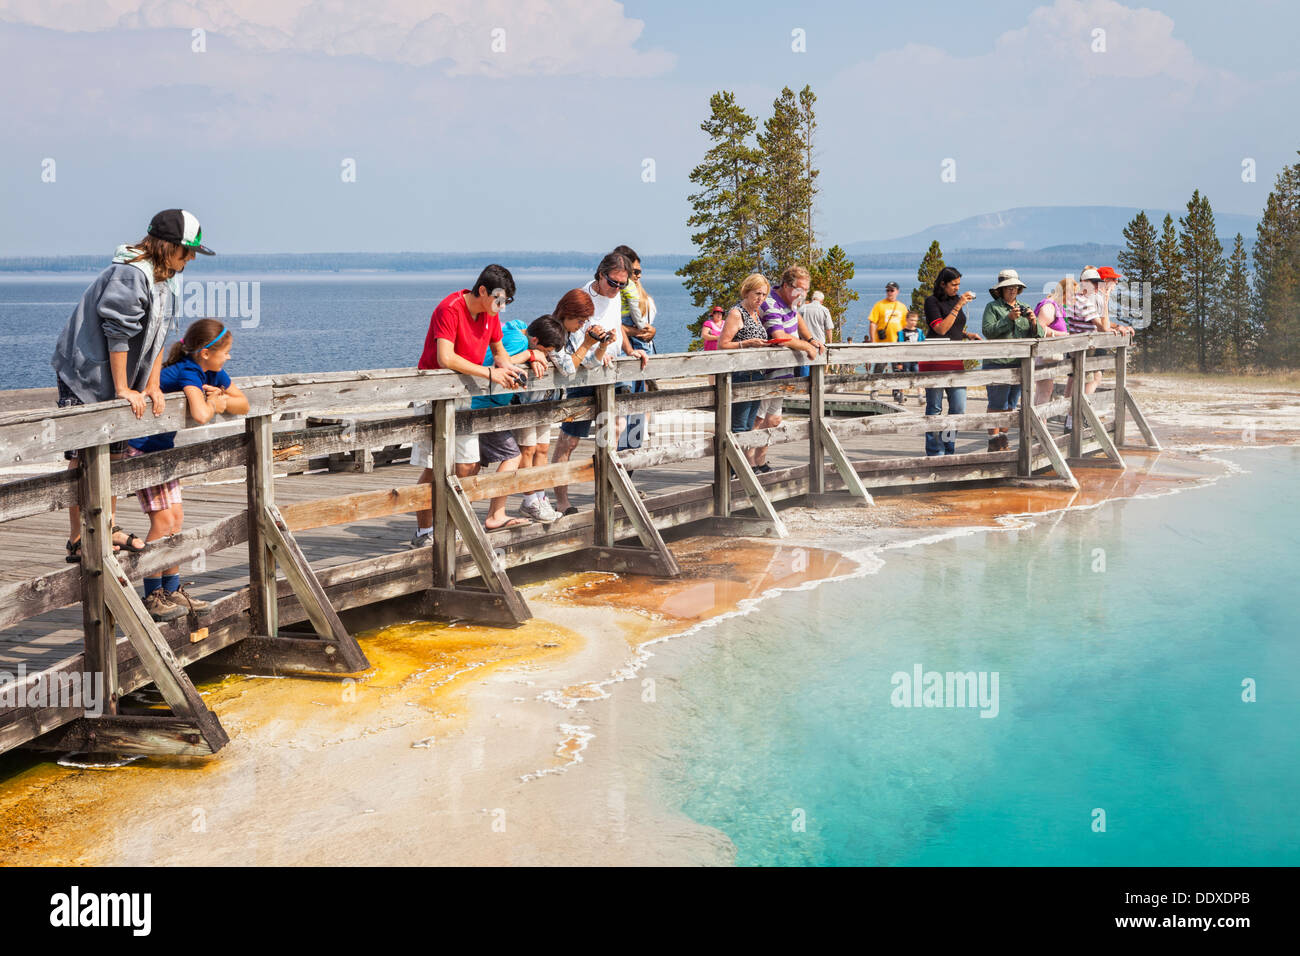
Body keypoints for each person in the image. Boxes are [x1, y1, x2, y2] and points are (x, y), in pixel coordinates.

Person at [51, 208, 213, 564]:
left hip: (116, 377)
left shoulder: (166, 278)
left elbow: (159, 335)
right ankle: (80, 537)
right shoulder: (130, 274)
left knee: (113, 453)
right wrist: (124, 389)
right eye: (188, 251)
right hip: (85, 374)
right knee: (85, 455)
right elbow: (118, 333)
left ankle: (105, 527)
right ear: (169, 246)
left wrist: (153, 385)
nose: (190, 259)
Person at [125, 319, 249, 621]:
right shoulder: (189, 371)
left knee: (176, 520)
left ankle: (172, 589)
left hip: (162, 451)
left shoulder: (209, 369)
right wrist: (217, 403)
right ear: (205, 352)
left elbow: (244, 403)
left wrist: (220, 399)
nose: (229, 357)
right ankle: (153, 595)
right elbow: (201, 414)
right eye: (226, 352)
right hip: (143, 451)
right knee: (164, 521)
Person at [410, 264, 528, 546]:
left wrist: (512, 368)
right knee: (433, 466)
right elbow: (445, 358)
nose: (501, 307)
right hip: (433, 394)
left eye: (506, 303)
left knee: (467, 465)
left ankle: (449, 524)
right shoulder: (449, 308)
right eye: (499, 300)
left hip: (464, 395)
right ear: (483, 291)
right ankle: (424, 533)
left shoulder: (491, 314)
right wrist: (489, 373)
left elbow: (499, 352)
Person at [550, 254, 650, 516]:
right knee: (569, 441)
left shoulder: (616, 295)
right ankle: (562, 500)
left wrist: (629, 350)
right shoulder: (582, 298)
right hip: (583, 378)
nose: (616, 288)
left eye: (622, 284)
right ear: (600, 274)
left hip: (612, 374)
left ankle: (606, 492)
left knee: (614, 431)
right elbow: (573, 337)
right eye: (612, 282)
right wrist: (598, 350)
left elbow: (617, 326)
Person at [471, 314, 569, 524]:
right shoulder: (519, 340)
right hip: (485, 405)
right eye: (545, 351)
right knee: (512, 455)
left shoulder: (519, 331)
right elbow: (500, 365)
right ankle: (494, 515)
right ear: (535, 341)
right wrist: (529, 354)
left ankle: (465, 516)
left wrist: (533, 353)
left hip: (486, 403)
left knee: (472, 464)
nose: (545, 356)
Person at [754, 266, 823, 473]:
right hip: (766, 372)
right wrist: (807, 347)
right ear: (786, 285)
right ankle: (747, 464)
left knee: (773, 419)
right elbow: (778, 335)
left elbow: (797, 318)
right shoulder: (771, 303)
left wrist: (811, 338)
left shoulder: (790, 302)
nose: (802, 294)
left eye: (806, 290)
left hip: (783, 372)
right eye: (799, 289)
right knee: (757, 418)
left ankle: (760, 460)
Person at [980, 270, 1046, 451]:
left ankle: (1004, 439)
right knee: (996, 404)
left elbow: (1039, 334)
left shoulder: (1025, 307)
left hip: (1019, 363)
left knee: (1010, 404)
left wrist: (1033, 322)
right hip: (998, 362)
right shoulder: (992, 308)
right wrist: (1008, 319)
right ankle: (993, 442)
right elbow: (988, 331)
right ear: (1000, 290)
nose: (1012, 291)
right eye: (1008, 288)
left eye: (1015, 287)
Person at [921, 266, 981, 456]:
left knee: (958, 408)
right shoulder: (932, 302)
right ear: (943, 284)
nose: (957, 288)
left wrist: (965, 335)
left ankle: (948, 446)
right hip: (935, 361)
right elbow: (940, 329)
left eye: (959, 285)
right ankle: (935, 451)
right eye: (953, 285)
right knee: (935, 408)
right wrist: (958, 306)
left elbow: (953, 328)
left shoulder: (956, 300)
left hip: (955, 360)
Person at [718, 273, 772, 469]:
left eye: (764, 295)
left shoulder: (755, 314)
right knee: (739, 426)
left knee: (750, 426)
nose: (761, 299)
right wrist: (747, 343)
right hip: (741, 374)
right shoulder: (736, 313)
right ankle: (733, 470)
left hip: (757, 374)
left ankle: (741, 468)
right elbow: (722, 344)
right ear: (747, 291)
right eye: (758, 293)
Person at [613, 244, 653, 449]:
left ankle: (627, 470)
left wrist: (649, 332)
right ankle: (615, 470)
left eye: (639, 272)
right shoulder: (614, 294)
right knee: (620, 420)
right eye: (635, 272)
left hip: (639, 356)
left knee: (635, 421)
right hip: (621, 358)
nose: (638, 276)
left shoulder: (638, 294)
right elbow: (615, 327)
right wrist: (640, 332)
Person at [1032, 277, 1073, 406]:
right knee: (1045, 390)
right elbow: (1040, 327)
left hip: (1047, 354)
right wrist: (1062, 334)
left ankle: (1036, 423)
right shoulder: (1049, 306)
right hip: (1043, 355)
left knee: (1043, 390)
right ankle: (1039, 423)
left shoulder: (1058, 307)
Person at [868, 282, 909, 377]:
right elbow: (873, 323)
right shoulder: (879, 305)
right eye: (888, 290)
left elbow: (905, 326)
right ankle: (875, 388)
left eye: (892, 290)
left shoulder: (902, 307)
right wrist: (873, 341)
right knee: (879, 367)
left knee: (897, 369)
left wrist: (905, 342)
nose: (889, 292)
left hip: (897, 343)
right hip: (882, 343)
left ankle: (897, 390)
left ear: (897, 292)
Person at [798, 291, 835, 377]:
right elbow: (829, 329)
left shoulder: (803, 308)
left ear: (812, 299)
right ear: (821, 301)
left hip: (805, 343)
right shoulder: (825, 310)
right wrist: (830, 343)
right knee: (818, 371)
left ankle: (804, 388)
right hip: (820, 345)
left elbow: (797, 324)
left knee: (804, 368)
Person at [895, 311, 925, 403]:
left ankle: (920, 396)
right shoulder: (901, 333)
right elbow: (898, 347)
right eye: (911, 320)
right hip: (905, 359)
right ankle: (902, 395)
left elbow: (923, 343)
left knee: (918, 377)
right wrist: (899, 362)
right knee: (904, 377)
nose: (913, 322)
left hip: (916, 359)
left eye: (915, 320)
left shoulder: (919, 332)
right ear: (907, 320)